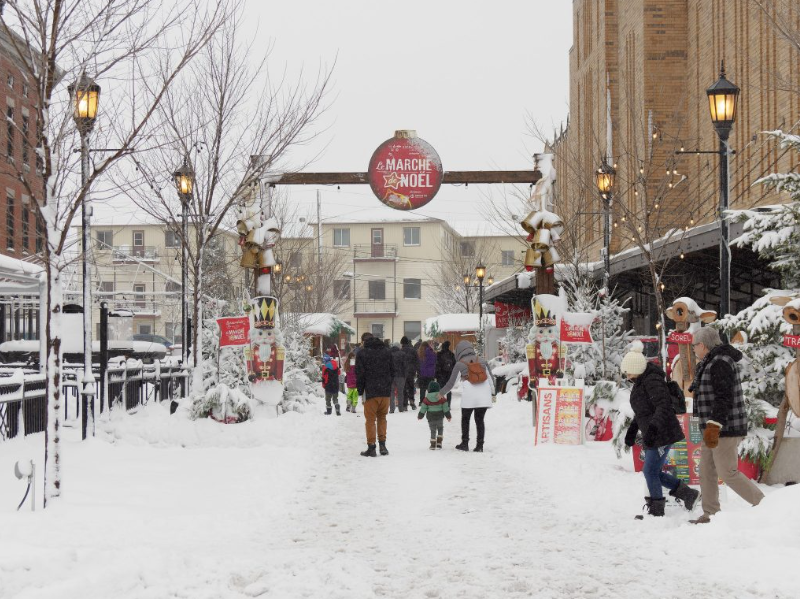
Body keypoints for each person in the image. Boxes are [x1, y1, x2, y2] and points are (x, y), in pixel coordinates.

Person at [688, 326, 764, 524]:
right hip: (711, 428)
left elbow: (724, 397)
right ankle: (710, 513)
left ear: (703, 345)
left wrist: (714, 425)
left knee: (727, 472)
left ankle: (765, 506)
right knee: (706, 470)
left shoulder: (720, 362)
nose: (693, 349)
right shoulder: (710, 361)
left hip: (724, 428)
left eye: (694, 345)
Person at [621, 341, 699, 518]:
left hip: (662, 433)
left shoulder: (652, 380)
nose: (626, 374)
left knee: (650, 472)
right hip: (653, 434)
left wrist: (653, 430)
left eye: (628, 370)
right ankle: (688, 494)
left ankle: (657, 510)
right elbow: (642, 410)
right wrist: (632, 431)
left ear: (637, 368)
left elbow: (663, 407)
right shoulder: (640, 381)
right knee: (652, 472)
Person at [438, 340, 495, 452]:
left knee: (465, 419)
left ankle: (465, 443)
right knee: (479, 420)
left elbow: (451, 383)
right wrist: (493, 393)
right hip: (483, 394)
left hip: (469, 394)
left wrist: (441, 393)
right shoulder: (482, 360)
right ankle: (480, 445)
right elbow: (490, 379)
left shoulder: (460, 364)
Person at [355, 332, 394, 457]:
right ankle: (383, 445)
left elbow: (359, 373)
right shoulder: (387, 351)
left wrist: (360, 390)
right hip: (385, 391)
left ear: (363, 341)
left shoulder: (362, 353)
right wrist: (388, 384)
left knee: (370, 420)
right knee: (382, 417)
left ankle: (371, 447)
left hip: (370, 390)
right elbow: (392, 370)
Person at [418, 381, 451, 450]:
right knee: (440, 428)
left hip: (431, 417)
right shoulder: (441, 397)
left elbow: (423, 408)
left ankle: (433, 444)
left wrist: (420, 416)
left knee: (433, 430)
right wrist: (448, 416)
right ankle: (439, 443)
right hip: (439, 416)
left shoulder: (426, 398)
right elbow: (445, 407)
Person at [400, 336, 419, 410]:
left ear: (402, 343)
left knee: (404, 387)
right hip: (411, 371)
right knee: (411, 386)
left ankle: (405, 404)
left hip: (403, 372)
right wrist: (418, 371)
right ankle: (412, 401)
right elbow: (417, 361)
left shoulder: (401, 350)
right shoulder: (413, 350)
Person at [417, 339, 437, 406]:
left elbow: (418, 363)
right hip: (430, 373)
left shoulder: (419, 352)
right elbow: (434, 361)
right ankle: (430, 400)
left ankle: (422, 401)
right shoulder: (431, 352)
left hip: (422, 373)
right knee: (430, 388)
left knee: (422, 388)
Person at [321, 351, 341, 416]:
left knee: (328, 399)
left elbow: (323, 377)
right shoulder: (335, 364)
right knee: (335, 398)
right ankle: (337, 407)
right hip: (335, 384)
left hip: (328, 385)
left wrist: (323, 385)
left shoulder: (325, 367)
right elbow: (339, 373)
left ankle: (329, 411)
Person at [390, 342, 407, 413]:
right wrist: (405, 375)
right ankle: (400, 408)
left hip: (391, 376)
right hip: (400, 375)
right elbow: (405, 366)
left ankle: (391, 409)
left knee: (391, 393)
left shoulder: (389, 354)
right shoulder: (402, 354)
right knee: (400, 392)